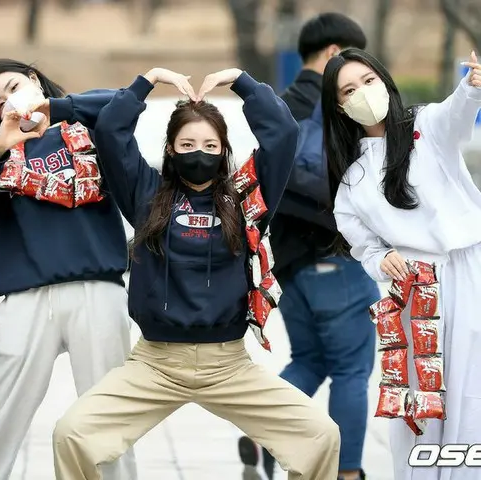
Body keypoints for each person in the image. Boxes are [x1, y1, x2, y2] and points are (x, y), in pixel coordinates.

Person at [50, 66, 341, 480]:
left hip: (229, 365)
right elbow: (112, 130)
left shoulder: (246, 198)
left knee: (320, 436)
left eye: (209, 144)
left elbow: (282, 134)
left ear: (224, 151)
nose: (198, 152)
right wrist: (148, 80)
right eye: (187, 143)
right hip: (155, 364)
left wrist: (242, 80)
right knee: (72, 433)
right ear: (170, 149)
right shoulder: (145, 195)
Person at [0, 58, 137, 480]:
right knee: (1, 419)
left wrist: (57, 109)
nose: (11, 104)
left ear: (35, 80)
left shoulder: (86, 128)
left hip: (97, 288)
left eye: (15, 88)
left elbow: (126, 103)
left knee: (108, 419)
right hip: (27, 295)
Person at [322, 47, 481, 480]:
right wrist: (383, 257)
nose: (363, 93)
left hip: (467, 273)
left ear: (385, 80)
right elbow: (362, 243)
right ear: (339, 105)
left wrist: (469, 88)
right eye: (349, 90)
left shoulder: (425, 126)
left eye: (368, 81)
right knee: (419, 399)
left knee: (471, 388)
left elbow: (455, 116)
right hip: (412, 291)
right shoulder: (352, 178)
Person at [238, 13, 377, 480]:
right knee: (352, 371)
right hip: (336, 259)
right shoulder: (328, 105)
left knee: (311, 360)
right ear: (337, 54)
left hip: (292, 264)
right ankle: (348, 471)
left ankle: (260, 433)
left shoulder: (278, 105)